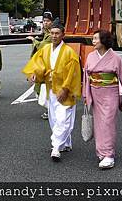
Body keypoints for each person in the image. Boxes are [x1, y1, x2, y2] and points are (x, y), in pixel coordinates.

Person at [22, 20, 81, 162]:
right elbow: (38, 63)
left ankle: (55, 148)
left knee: (63, 119)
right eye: (52, 33)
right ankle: (65, 142)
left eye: (57, 33)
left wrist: (66, 89)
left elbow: (73, 73)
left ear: (63, 35)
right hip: (51, 88)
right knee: (54, 119)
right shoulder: (46, 49)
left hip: (63, 90)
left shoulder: (69, 53)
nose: (54, 36)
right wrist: (35, 74)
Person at [83, 30, 122, 169]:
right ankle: (101, 152)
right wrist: (86, 94)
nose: (93, 41)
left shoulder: (115, 58)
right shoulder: (90, 56)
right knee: (99, 124)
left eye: (96, 38)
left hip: (110, 93)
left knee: (107, 122)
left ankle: (108, 155)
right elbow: (87, 77)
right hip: (95, 92)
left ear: (104, 40)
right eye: (93, 39)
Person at [27, 11, 54, 120]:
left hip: (50, 64)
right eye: (44, 21)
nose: (45, 23)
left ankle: (51, 110)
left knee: (46, 88)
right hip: (43, 63)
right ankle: (50, 110)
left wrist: (34, 40)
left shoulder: (52, 33)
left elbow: (43, 46)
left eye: (47, 21)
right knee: (42, 87)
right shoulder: (45, 33)